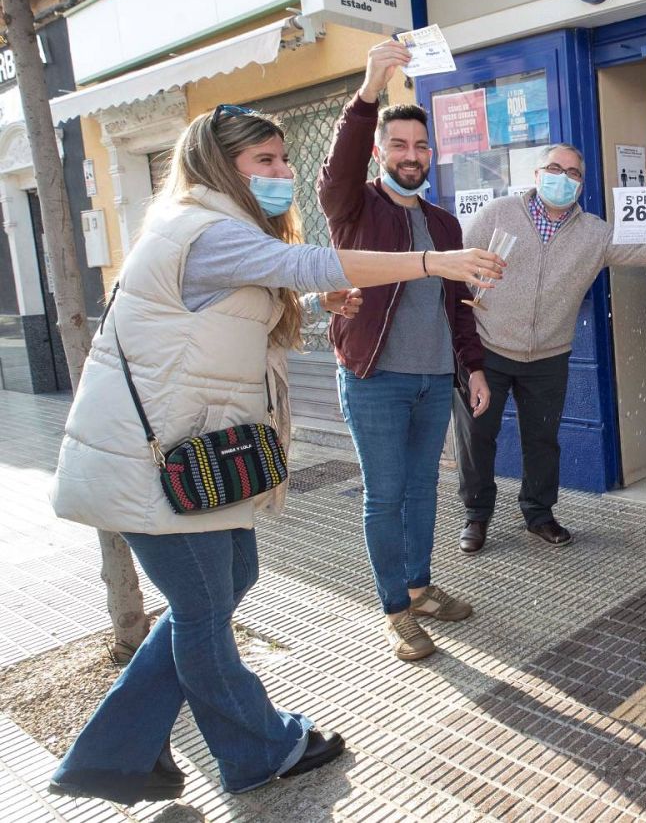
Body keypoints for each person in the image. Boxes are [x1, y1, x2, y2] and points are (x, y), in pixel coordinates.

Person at [45, 105, 501, 804]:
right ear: (219, 165)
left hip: (191, 453)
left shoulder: (216, 231)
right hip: (153, 462)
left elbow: (233, 313)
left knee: (230, 583)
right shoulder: (201, 229)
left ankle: (116, 752)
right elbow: (307, 258)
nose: (283, 173)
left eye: (284, 159)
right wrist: (436, 262)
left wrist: (318, 305)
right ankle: (258, 749)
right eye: (266, 161)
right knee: (203, 609)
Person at [317, 40, 496, 662]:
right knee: (384, 494)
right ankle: (394, 608)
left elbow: (458, 307)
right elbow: (337, 168)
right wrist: (369, 89)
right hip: (374, 379)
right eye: (399, 145)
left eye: (421, 146)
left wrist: (471, 368)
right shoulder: (354, 207)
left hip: (432, 378)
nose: (412, 156)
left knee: (423, 489)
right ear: (379, 152)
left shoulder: (444, 224)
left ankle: (419, 587)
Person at [453, 143, 646, 553]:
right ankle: (476, 515)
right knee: (477, 435)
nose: (564, 177)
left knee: (542, 439)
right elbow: (456, 266)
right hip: (486, 348)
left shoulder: (595, 233)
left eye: (574, 173)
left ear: (581, 183)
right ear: (538, 174)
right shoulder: (499, 213)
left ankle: (539, 514)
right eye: (555, 168)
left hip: (548, 356)